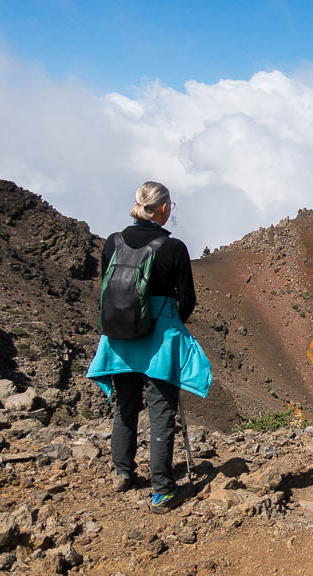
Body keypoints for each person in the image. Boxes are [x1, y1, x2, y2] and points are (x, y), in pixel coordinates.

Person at [86, 181, 212, 514]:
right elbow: (188, 300)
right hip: (159, 340)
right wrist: (166, 320)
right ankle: (162, 491)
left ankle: (123, 473)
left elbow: (106, 289)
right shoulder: (173, 248)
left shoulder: (112, 243)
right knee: (161, 415)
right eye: (171, 205)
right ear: (163, 209)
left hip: (120, 339)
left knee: (125, 408)